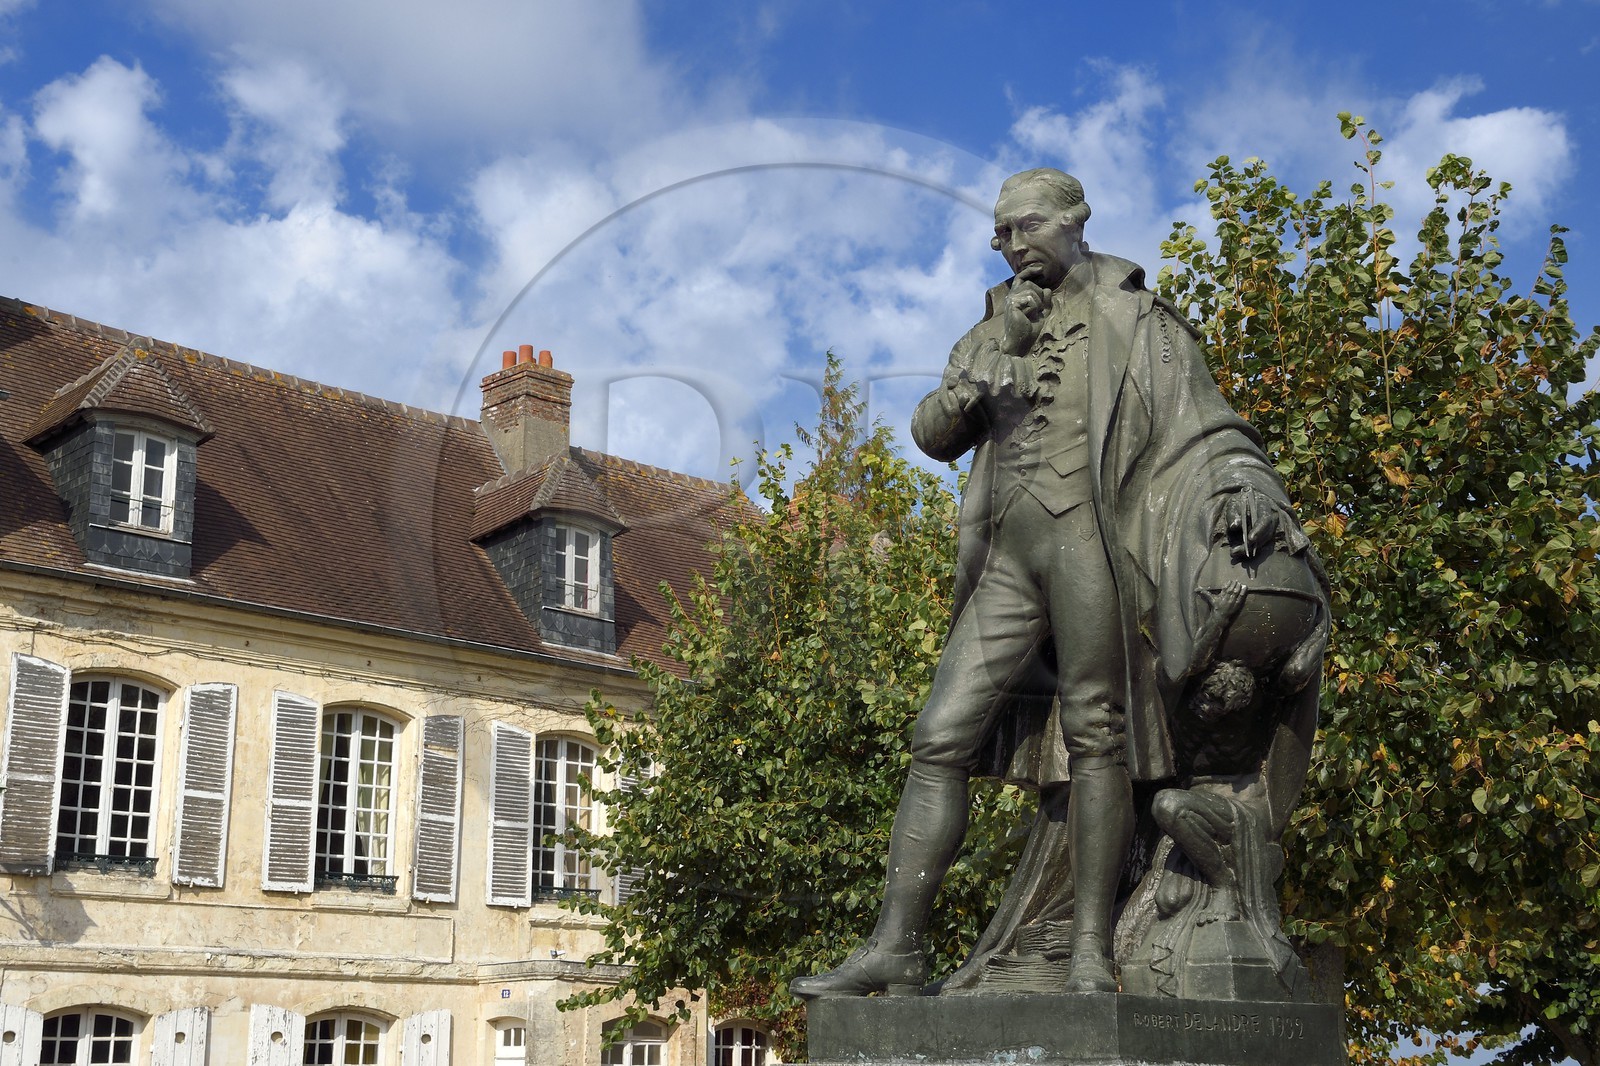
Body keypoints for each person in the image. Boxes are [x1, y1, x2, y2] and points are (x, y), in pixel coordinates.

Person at [792, 168, 1312, 998]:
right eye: (1000, 232)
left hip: (1091, 545)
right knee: (939, 736)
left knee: (1098, 735)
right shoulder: (993, 325)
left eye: (1025, 225)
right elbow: (932, 432)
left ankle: (1087, 951)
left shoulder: (1139, 321)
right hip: (1008, 558)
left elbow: (1207, 429)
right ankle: (897, 947)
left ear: (1076, 220)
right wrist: (986, 370)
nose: (1010, 244)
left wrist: (1248, 489)